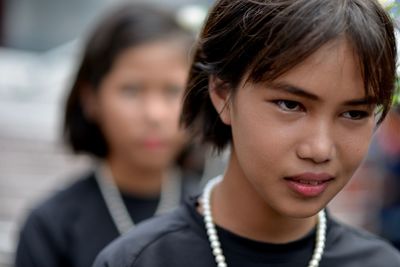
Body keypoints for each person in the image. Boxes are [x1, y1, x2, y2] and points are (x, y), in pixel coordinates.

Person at [93, 0, 400, 266]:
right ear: (223, 92)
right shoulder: (137, 261)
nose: (319, 149)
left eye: (354, 114)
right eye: (290, 105)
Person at [14, 3, 204, 267]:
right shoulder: (52, 226)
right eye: (131, 90)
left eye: (172, 90)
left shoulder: (215, 216)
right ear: (91, 99)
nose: (154, 114)